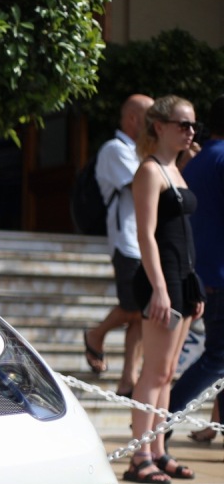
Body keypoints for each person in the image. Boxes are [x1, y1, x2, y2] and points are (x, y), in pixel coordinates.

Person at [124, 95, 201, 484]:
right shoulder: (150, 171)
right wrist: (159, 288)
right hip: (162, 279)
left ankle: (157, 449)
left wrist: (192, 287)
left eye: (193, 126)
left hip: (183, 278)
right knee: (154, 373)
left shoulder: (176, 168)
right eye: (183, 125)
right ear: (160, 126)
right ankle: (139, 455)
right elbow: (146, 235)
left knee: (168, 372)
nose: (190, 132)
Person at [83, 94, 153, 395]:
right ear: (133, 119)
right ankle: (95, 335)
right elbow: (141, 185)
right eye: (151, 119)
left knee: (143, 310)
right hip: (127, 241)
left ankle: (128, 379)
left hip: (144, 241)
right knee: (134, 308)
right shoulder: (116, 149)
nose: (155, 126)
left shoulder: (140, 153)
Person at [167, 95, 224, 439]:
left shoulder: (196, 162)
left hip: (203, 270)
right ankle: (164, 417)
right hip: (219, 274)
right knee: (217, 357)